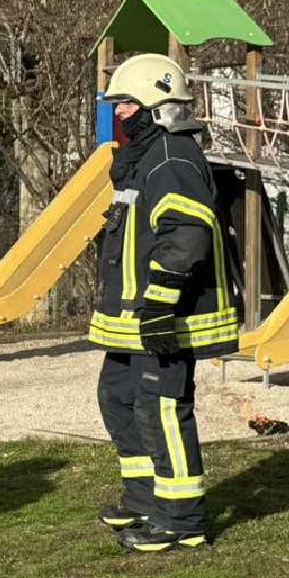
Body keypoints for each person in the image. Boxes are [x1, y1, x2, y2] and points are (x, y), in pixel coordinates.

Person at [87, 54, 239, 552]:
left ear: (159, 107)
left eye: (130, 103)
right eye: (119, 103)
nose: (121, 112)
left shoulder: (172, 157)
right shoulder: (144, 158)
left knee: (162, 408)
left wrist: (158, 305)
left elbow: (187, 236)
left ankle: (181, 518)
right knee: (118, 396)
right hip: (132, 315)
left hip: (164, 314)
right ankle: (144, 497)